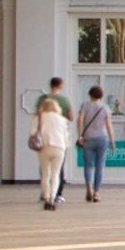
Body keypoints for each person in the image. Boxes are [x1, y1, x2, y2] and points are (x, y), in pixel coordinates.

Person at [31, 79, 76, 210]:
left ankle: (45, 195)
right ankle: (54, 196)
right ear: (60, 85)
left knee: (45, 173)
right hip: (59, 146)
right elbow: (71, 119)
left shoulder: (41, 103)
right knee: (56, 173)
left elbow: (33, 131)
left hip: (44, 146)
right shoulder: (64, 106)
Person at [77, 85, 120, 200]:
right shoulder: (105, 107)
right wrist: (112, 141)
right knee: (100, 166)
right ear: (101, 96)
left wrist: (80, 135)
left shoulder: (85, 105)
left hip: (88, 138)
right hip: (102, 138)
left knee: (88, 165)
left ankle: (89, 187)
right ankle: (96, 192)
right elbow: (109, 125)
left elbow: (80, 120)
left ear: (90, 94)